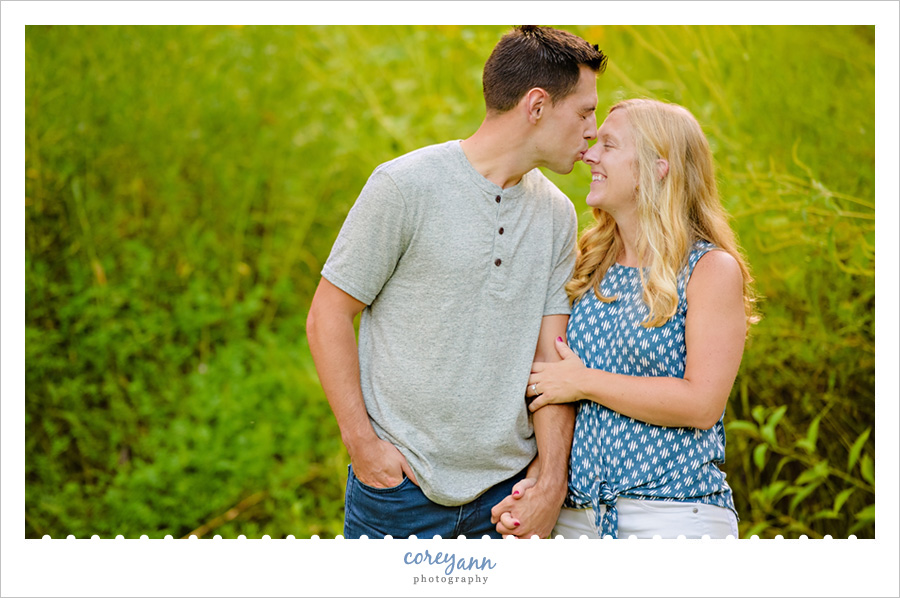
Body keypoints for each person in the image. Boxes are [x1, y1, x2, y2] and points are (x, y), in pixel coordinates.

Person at [305, 26, 608, 539]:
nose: (592, 131)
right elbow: (327, 316)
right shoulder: (405, 186)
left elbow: (551, 359)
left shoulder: (557, 214)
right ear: (537, 105)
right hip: (399, 492)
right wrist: (363, 446)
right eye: (584, 113)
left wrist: (551, 481)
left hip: (507, 500)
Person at [495, 98, 759, 538]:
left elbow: (701, 404)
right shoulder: (588, 262)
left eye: (609, 145)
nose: (590, 155)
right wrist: (539, 482)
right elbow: (556, 387)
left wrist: (585, 381)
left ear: (658, 168)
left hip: (672, 514)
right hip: (576, 516)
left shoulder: (709, 270)